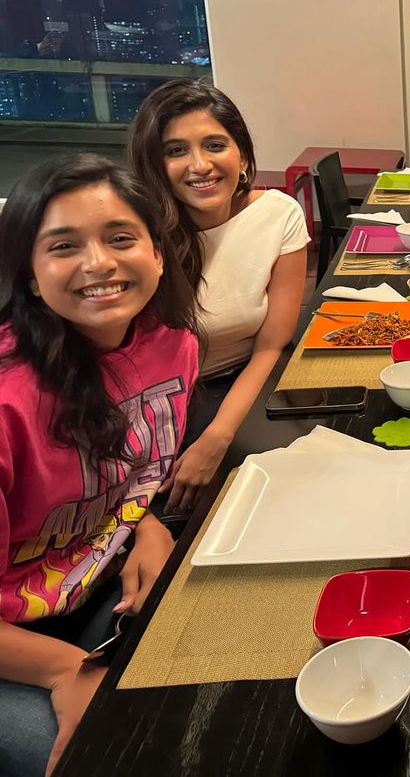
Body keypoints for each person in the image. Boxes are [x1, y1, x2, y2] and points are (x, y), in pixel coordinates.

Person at [0, 154, 198, 777]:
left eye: (120, 238)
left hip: (96, 585)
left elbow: (129, 478)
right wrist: (65, 671)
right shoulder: (9, 402)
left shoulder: (175, 348)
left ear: (159, 254)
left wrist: (147, 524)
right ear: (30, 276)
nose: (99, 263)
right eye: (63, 246)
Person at [128, 80, 309, 514]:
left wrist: (217, 436)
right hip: (147, 411)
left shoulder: (277, 214)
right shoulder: (135, 234)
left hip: (242, 387)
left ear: (242, 156)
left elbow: (270, 345)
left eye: (214, 144)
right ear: (154, 164)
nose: (200, 165)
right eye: (176, 151)